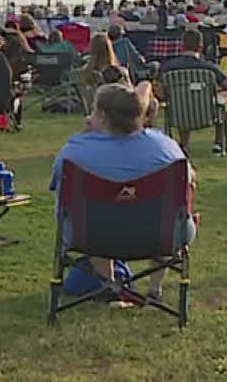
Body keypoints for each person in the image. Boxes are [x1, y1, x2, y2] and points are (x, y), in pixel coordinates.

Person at [50, 82, 197, 305]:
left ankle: (109, 285)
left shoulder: (75, 152)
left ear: (101, 115)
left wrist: (83, 135)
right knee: (171, 213)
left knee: (92, 211)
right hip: (161, 236)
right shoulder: (166, 148)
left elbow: (57, 183)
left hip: (91, 237)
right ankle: (154, 289)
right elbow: (190, 179)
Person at [157, 29, 227, 156]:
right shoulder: (208, 67)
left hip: (179, 113)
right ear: (200, 48)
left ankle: (184, 144)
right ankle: (218, 142)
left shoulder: (168, 67)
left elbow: (160, 93)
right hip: (207, 113)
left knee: (182, 100)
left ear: (181, 46)